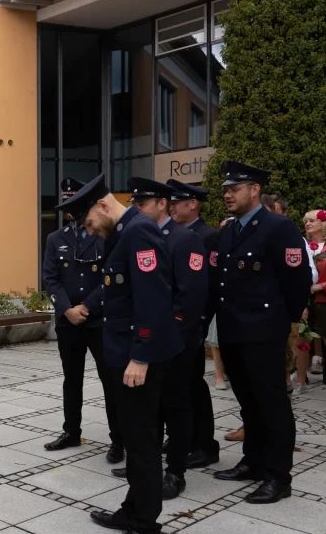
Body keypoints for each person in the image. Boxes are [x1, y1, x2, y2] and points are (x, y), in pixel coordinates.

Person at [59, 173, 179, 534]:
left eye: (89, 222)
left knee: (142, 444)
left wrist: (140, 356)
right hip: (123, 353)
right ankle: (132, 509)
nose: (89, 231)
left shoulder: (139, 231)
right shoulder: (123, 232)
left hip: (137, 357)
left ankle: (146, 531)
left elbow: (153, 299)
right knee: (133, 436)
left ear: (103, 205)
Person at [208, 161, 312, 504]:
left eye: (235, 189)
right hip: (233, 329)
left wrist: (284, 321)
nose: (228, 195)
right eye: (226, 190)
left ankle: (278, 477)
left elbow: (297, 281)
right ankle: (253, 461)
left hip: (264, 330)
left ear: (255, 190)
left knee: (272, 405)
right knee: (248, 403)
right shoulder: (229, 231)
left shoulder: (279, 227)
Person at [129, 178, 208, 500]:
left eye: (143, 204)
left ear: (162, 204)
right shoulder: (140, 237)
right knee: (150, 408)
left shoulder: (184, 239)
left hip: (176, 341)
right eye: (135, 205)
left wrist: (168, 336)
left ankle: (175, 471)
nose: (137, 211)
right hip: (147, 340)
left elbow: (190, 297)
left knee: (176, 406)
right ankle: (148, 467)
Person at [41, 177, 118, 459]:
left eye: (76, 205)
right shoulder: (55, 238)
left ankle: (118, 439)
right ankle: (71, 432)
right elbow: (50, 279)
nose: (72, 211)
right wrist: (67, 309)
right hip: (68, 322)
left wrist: (87, 306)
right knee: (71, 379)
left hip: (97, 320)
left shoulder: (104, 233)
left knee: (109, 380)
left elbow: (111, 276)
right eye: (68, 205)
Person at [167, 179, 222, 468]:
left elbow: (209, 287)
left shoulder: (206, 236)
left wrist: (201, 322)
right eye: (171, 202)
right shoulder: (171, 234)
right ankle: (183, 438)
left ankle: (204, 445)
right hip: (174, 324)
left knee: (193, 386)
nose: (172, 207)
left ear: (193, 204)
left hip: (193, 324)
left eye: (177, 202)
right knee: (177, 387)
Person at [293, 210, 326, 392]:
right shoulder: (303, 246)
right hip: (305, 300)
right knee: (302, 341)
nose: (307, 224)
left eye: (311, 220)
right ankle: (300, 382)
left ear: (323, 223)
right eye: (305, 221)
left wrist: (321, 286)